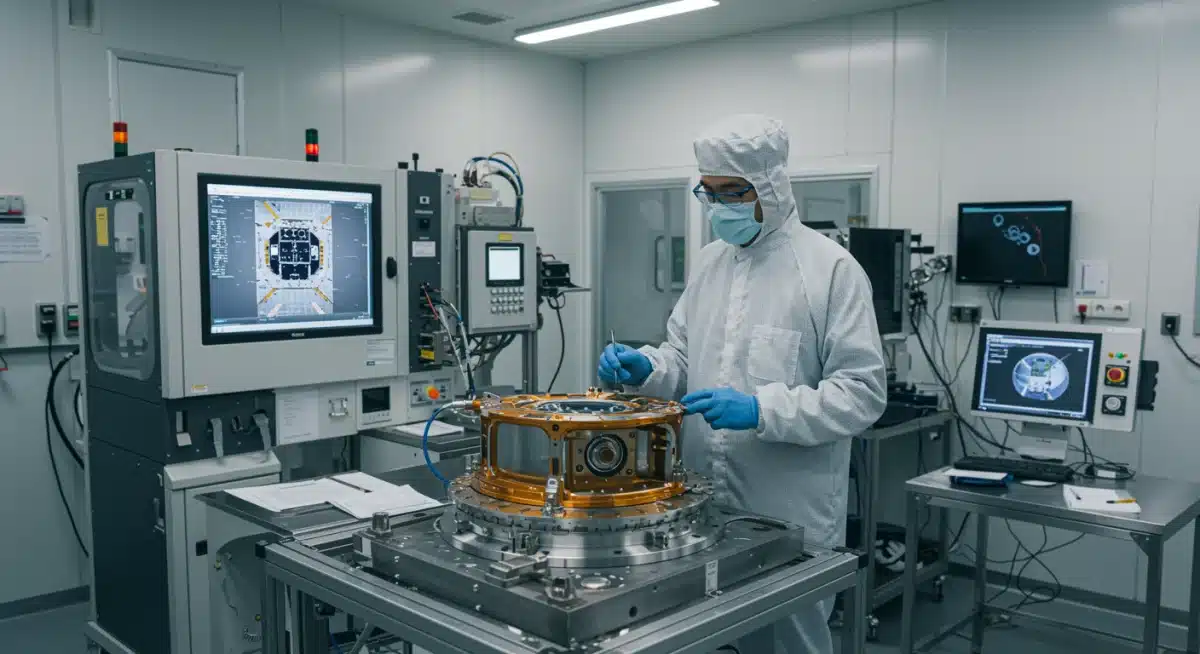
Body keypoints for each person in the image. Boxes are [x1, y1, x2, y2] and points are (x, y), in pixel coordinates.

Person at [598, 114, 887, 653]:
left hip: (790, 516)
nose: (718, 207)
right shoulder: (710, 265)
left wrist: (761, 410)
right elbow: (682, 356)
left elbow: (862, 393)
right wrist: (648, 368)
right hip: (702, 506)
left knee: (789, 642)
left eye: (733, 193)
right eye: (708, 193)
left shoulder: (830, 271)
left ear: (772, 187)